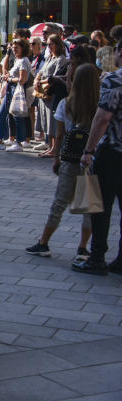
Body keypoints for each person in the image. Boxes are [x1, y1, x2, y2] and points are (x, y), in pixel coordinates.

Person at [25, 63, 98, 262]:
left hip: (70, 159)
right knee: (88, 207)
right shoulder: (99, 105)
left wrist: (56, 157)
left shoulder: (66, 104)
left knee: (59, 203)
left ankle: (43, 242)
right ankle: (83, 248)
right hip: (91, 161)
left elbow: (60, 134)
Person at [74, 40, 122, 275]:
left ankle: (97, 257)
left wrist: (88, 150)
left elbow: (102, 118)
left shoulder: (114, 80)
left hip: (112, 152)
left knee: (100, 207)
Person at [0, 38, 32, 152]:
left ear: (23, 48)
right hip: (11, 89)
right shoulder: (18, 60)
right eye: (13, 48)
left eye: (16, 48)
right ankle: (1, 140)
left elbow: (22, 79)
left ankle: (18, 143)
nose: (14, 50)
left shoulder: (23, 61)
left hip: (17, 90)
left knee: (17, 116)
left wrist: (9, 79)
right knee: (2, 114)